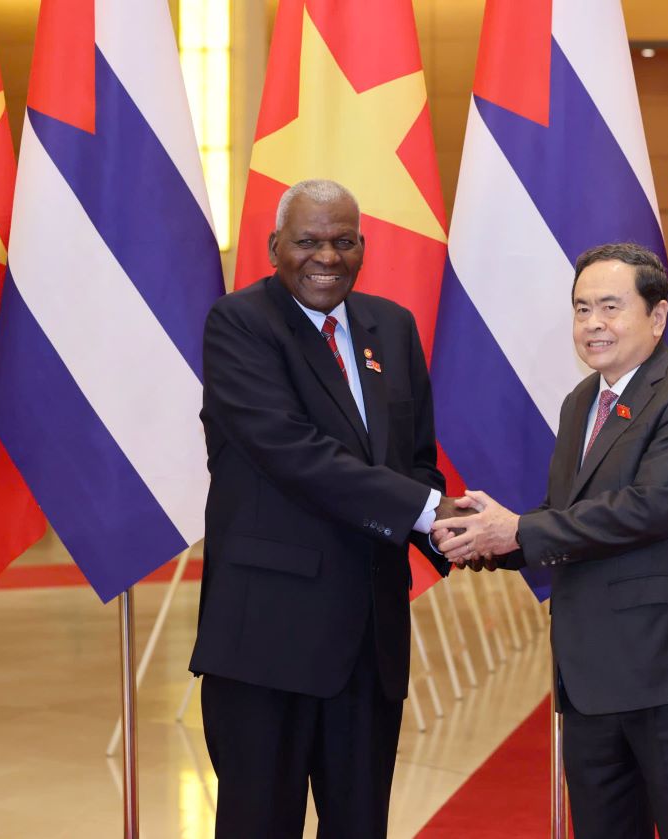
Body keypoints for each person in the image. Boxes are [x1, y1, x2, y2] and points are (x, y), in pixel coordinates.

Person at [435, 242, 668, 839]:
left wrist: (519, 528)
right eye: (581, 309)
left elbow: (650, 508)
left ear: (656, 317)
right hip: (590, 678)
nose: (593, 323)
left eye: (610, 306)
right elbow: (568, 518)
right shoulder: (583, 401)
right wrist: (490, 539)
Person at [189, 179, 466, 838]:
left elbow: (415, 458)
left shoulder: (392, 328)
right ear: (274, 246)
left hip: (369, 644)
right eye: (308, 241)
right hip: (267, 643)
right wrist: (432, 512)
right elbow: (297, 455)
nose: (327, 257)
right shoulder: (240, 323)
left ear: (362, 245)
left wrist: (461, 534)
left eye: (343, 242)